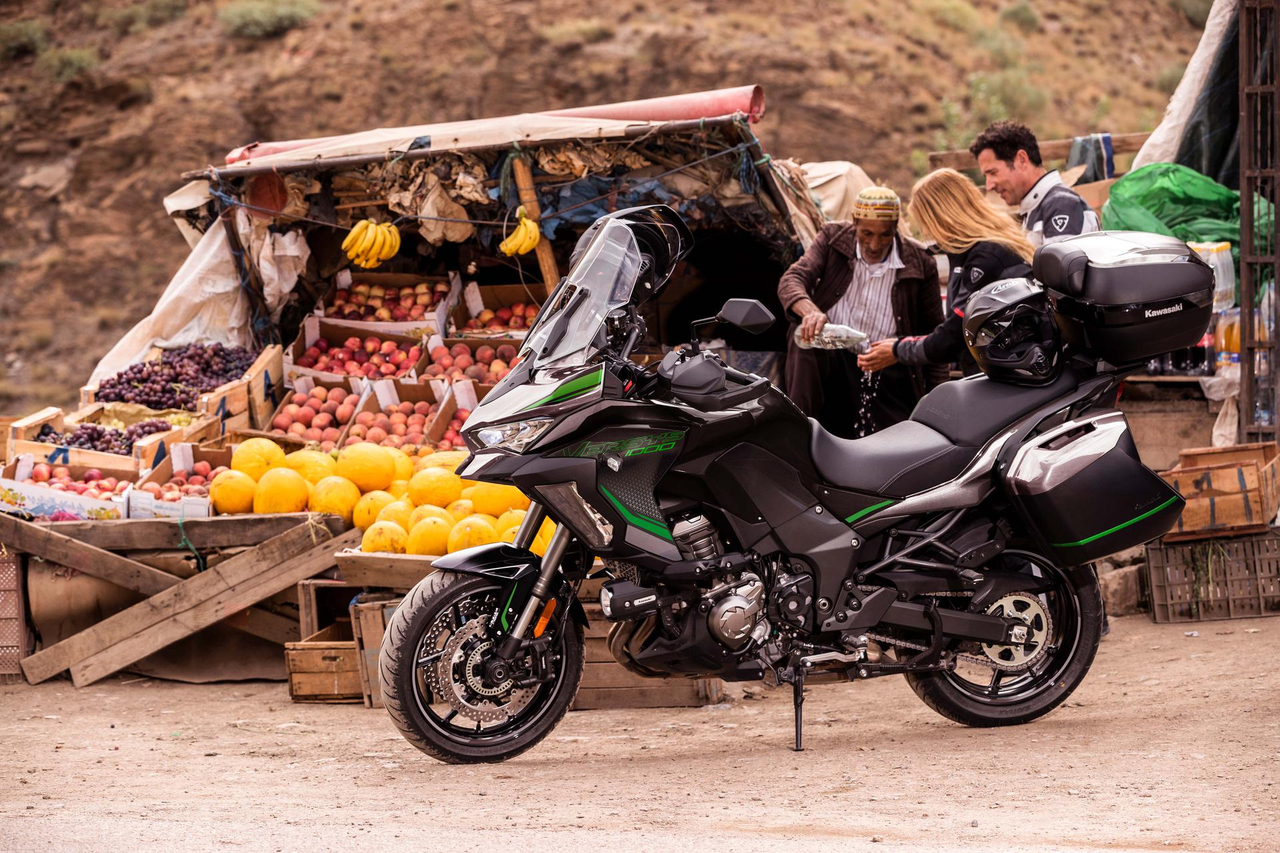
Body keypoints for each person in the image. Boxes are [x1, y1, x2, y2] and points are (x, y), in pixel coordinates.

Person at [777, 186, 947, 438]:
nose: (875, 244)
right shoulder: (832, 238)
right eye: (866, 233)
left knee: (891, 448)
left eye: (885, 235)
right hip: (835, 362)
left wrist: (938, 405)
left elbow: (935, 336)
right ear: (854, 223)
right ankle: (800, 435)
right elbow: (793, 279)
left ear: (896, 228)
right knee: (805, 334)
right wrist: (810, 311)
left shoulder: (920, 261)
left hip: (887, 366)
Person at [858, 168, 1034, 377]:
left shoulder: (986, 257)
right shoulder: (975, 250)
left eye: (925, 223)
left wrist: (898, 350)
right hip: (1008, 368)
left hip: (1013, 375)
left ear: (941, 218)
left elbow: (954, 335)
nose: (926, 232)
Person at [970, 120, 1099, 248]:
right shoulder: (1037, 207)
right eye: (985, 177)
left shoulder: (1061, 204)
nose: (989, 186)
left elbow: (1060, 267)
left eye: (993, 173)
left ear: (1021, 160)